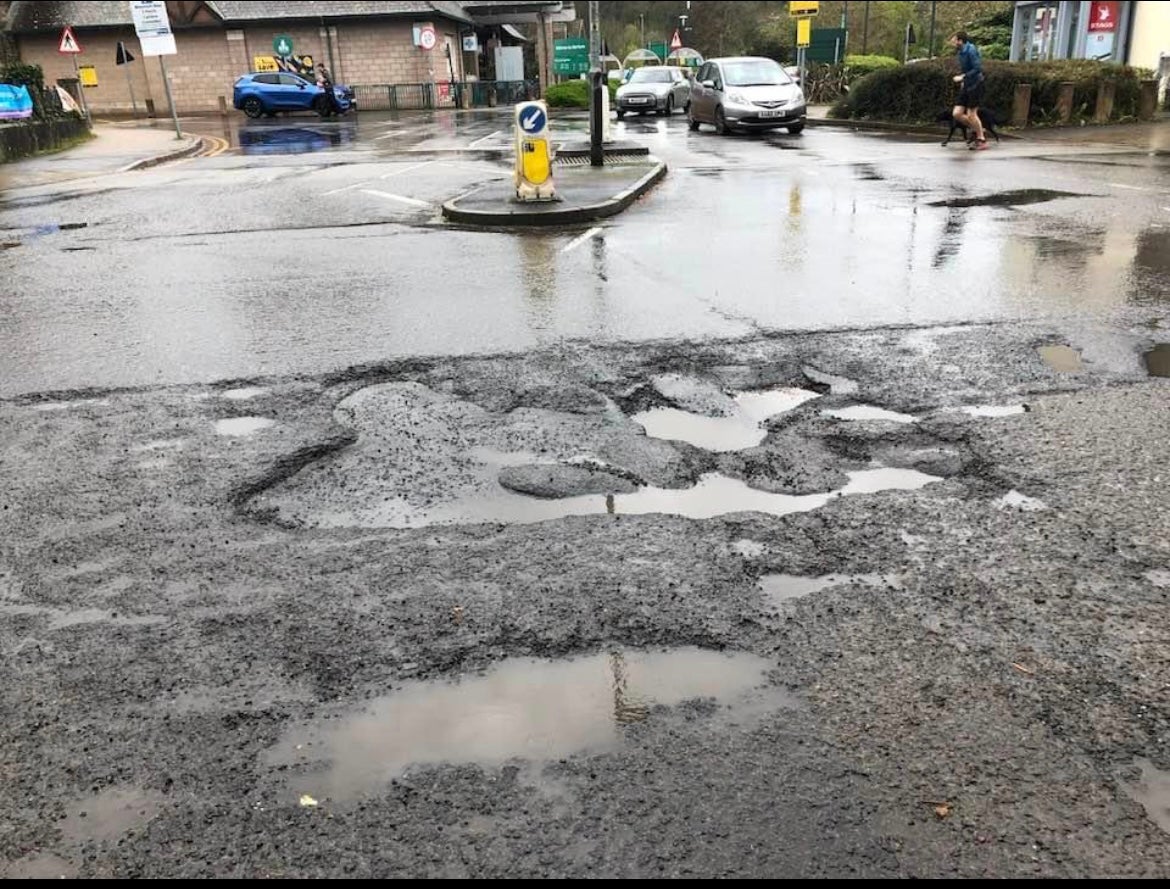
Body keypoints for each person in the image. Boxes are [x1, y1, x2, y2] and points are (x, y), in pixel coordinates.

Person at [949, 31, 988, 151]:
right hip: (967, 84)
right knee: (957, 113)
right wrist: (964, 81)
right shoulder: (961, 51)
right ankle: (978, 129)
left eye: (954, 40)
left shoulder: (971, 50)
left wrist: (963, 77)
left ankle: (981, 139)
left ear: (960, 41)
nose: (952, 42)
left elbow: (978, 68)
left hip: (976, 84)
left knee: (972, 114)